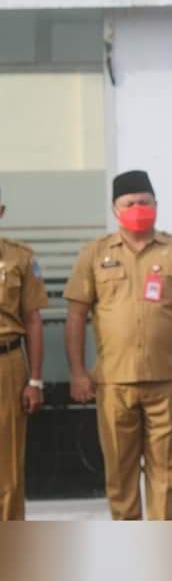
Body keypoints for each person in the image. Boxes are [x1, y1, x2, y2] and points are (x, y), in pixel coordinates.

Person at [64, 170, 172, 521]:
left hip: (169, 382)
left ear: (156, 205)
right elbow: (75, 316)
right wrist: (78, 373)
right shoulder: (94, 254)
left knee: (167, 476)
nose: (138, 209)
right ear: (115, 210)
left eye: (144, 202)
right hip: (114, 384)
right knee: (120, 476)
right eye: (130, 203)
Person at [0, 186, 47, 520]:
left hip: (8, 364)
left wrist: (35, 381)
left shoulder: (20, 258)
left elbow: (33, 320)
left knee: (8, 467)